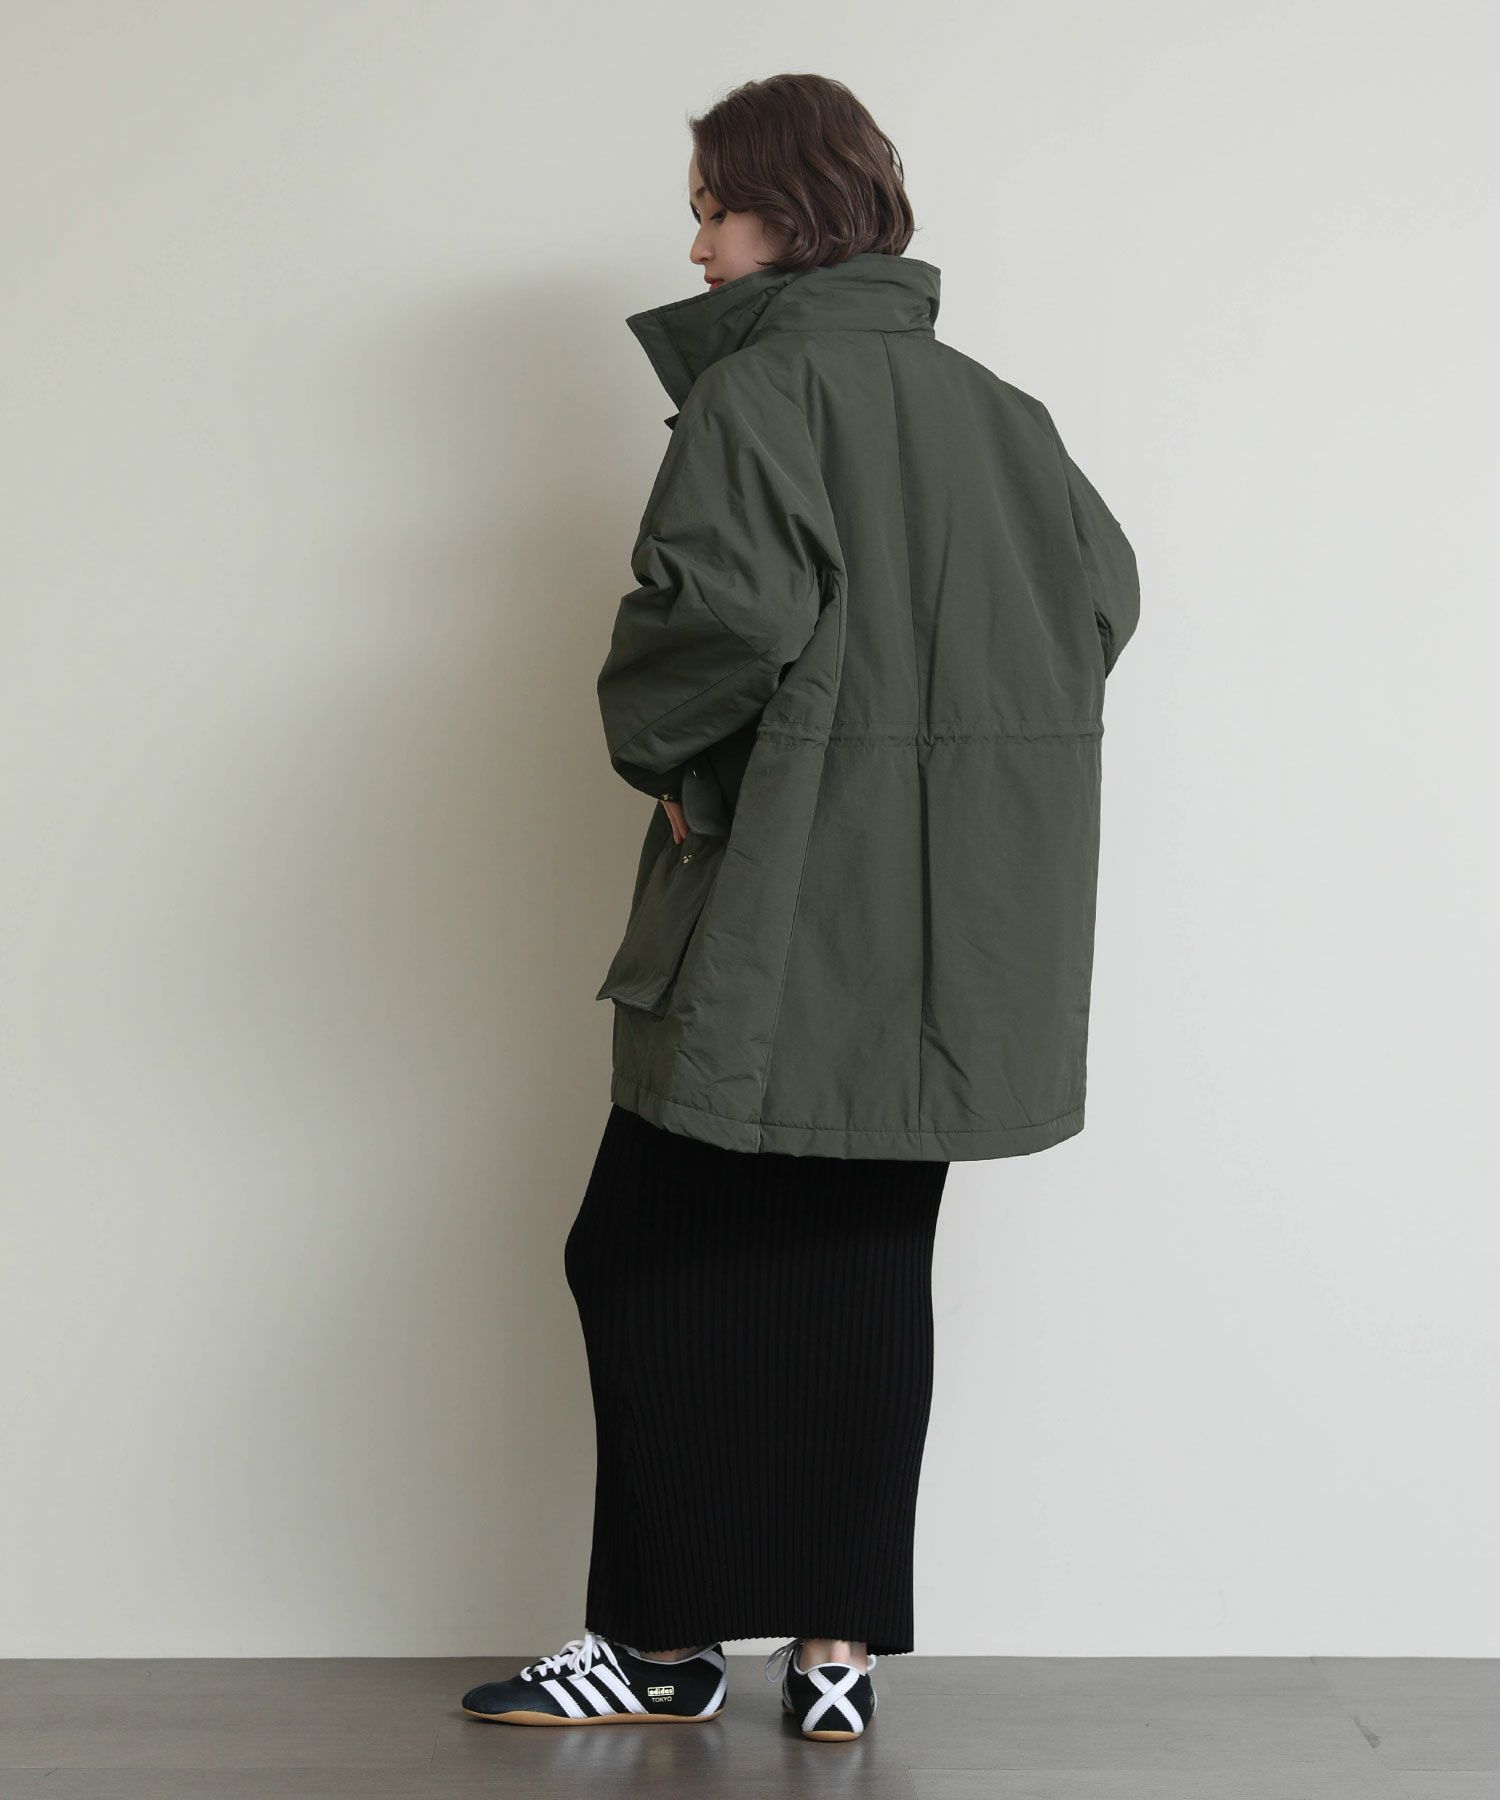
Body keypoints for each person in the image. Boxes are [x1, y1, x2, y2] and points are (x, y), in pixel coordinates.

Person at [461, 71, 1139, 1744]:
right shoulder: (1001, 410)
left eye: (713, 210)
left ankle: (660, 1647)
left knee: (642, 1256)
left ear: (794, 212)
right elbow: (1103, 600)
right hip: (956, 939)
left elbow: (717, 624)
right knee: (858, 1268)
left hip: (785, 909)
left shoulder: (760, 396)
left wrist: (668, 756)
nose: (696, 249)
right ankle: (835, 1656)